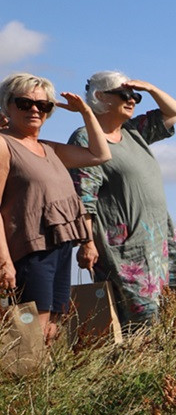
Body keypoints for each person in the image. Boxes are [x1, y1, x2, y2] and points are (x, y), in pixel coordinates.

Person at [68, 72, 176, 327]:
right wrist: (87, 243)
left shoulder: (134, 132)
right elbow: (83, 198)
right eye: (124, 94)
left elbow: (175, 111)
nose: (133, 99)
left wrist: (149, 87)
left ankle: (163, 365)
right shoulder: (86, 138)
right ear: (100, 97)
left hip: (158, 240)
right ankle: (137, 365)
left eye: (136, 96)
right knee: (140, 318)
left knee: (173, 311)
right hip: (124, 246)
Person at [0, 73, 112, 344]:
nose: (35, 110)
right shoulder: (4, 145)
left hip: (61, 249)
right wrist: (4, 261)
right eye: (25, 103)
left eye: (43, 105)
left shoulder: (48, 149)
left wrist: (85, 111)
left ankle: (42, 384)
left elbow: (100, 154)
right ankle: (26, 383)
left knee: (51, 329)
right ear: (7, 105)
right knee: (30, 334)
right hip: (30, 251)